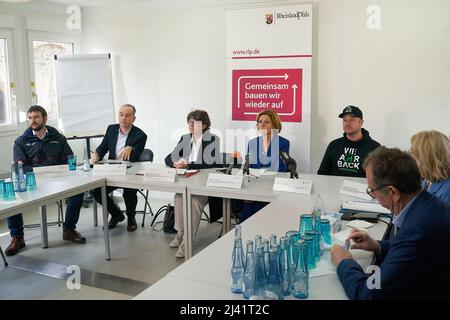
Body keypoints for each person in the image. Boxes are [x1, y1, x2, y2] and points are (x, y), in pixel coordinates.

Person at [331, 147, 450, 299]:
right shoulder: (429, 204)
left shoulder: (416, 230)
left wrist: (344, 262)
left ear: (393, 192)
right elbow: (414, 253)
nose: (373, 195)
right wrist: (378, 246)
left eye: (372, 191)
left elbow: (368, 294)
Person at [5, 105, 86, 256]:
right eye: (30, 118)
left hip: (58, 179)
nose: (32, 121)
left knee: (78, 190)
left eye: (36, 117)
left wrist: (63, 170)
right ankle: (17, 237)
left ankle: (68, 229)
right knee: (12, 195)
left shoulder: (58, 138)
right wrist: (39, 172)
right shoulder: (21, 141)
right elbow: (19, 166)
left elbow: (69, 158)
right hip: (32, 182)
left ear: (45, 118)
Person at [165, 109, 221, 258]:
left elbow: (210, 164)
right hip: (186, 181)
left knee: (194, 202)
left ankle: (187, 242)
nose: (190, 125)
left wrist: (188, 165)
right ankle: (180, 234)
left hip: (204, 185)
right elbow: (168, 158)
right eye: (189, 122)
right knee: (178, 197)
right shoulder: (185, 138)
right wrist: (176, 162)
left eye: (194, 122)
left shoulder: (213, 139)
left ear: (204, 125)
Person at [91, 104, 147, 232]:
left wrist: (131, 147)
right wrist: (97, 155)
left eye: (127, 115)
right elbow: (103, 147)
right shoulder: (111, 129)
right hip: (112, 170)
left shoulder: (140, 135)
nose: (123, 118)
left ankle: (131, 218)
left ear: (134, 118)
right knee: (96, 191)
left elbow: (137, 153)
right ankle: (116, 214)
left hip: (130, 170)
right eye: (121, 114)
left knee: (129, 191)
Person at [240, 109, 290, 223]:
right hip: (254, 184)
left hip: (272, 184)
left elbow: (281, 168)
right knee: (249, 200)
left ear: (274, 124)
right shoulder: (252, 143)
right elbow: (249, 165)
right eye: (260, 121)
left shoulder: (283, 143)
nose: (262, 124)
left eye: (266, 122)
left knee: (256, 203)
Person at [317, 105, 380, 177]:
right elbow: (322, 174)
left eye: (352, 120)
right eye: (345, 120)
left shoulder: (375, 148)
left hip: (361, 187)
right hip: (335, 187)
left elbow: (378, 179)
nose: (347, 123)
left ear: (361, 122)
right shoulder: (334, 145)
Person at [410, 130, 450, 206]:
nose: (411, 159)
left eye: (414, 156)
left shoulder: (447, 192)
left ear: (427, 159)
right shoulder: (427, 181)